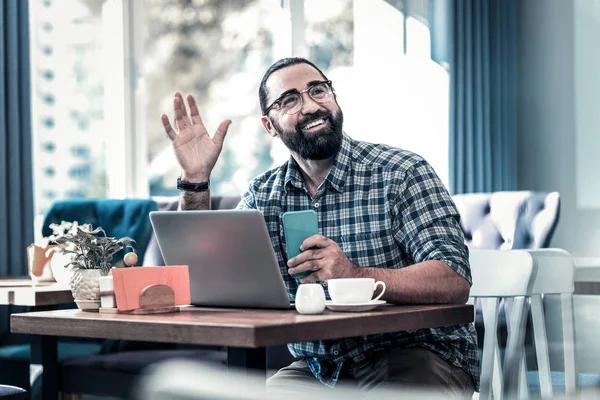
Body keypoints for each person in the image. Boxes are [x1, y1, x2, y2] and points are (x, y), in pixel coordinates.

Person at [161, 57, 479, 398]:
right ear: (269, 126)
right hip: (320, 369)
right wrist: (195, 179)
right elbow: (207, 278)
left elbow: (453, 279)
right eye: (290, 100)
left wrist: (355, 275)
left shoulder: (403, 173)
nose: (311, 105)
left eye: (318, 90)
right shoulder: (263, 195)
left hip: (418, 355)